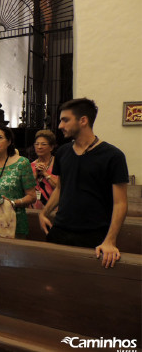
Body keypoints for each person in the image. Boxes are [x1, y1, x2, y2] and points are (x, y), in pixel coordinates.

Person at [39, 98, 129, 268]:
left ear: (83, 120)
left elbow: (120, 202)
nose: (60, 126)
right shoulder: (63, 152)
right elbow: (60, 187)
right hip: (60, 230)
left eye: (65, 120)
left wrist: (110, 240)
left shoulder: (113, 156)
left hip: (94, 235)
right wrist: (44, 212)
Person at [30, 130, 58, 209]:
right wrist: (35, 174)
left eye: (43, 144)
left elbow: (60, 187)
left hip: (54, 208)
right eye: (37, 144)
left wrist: (45, 173)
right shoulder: (30, 166)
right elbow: (26, 189)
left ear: (51, 147)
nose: (39, 147)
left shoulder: (58, 164)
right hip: (33, 209)